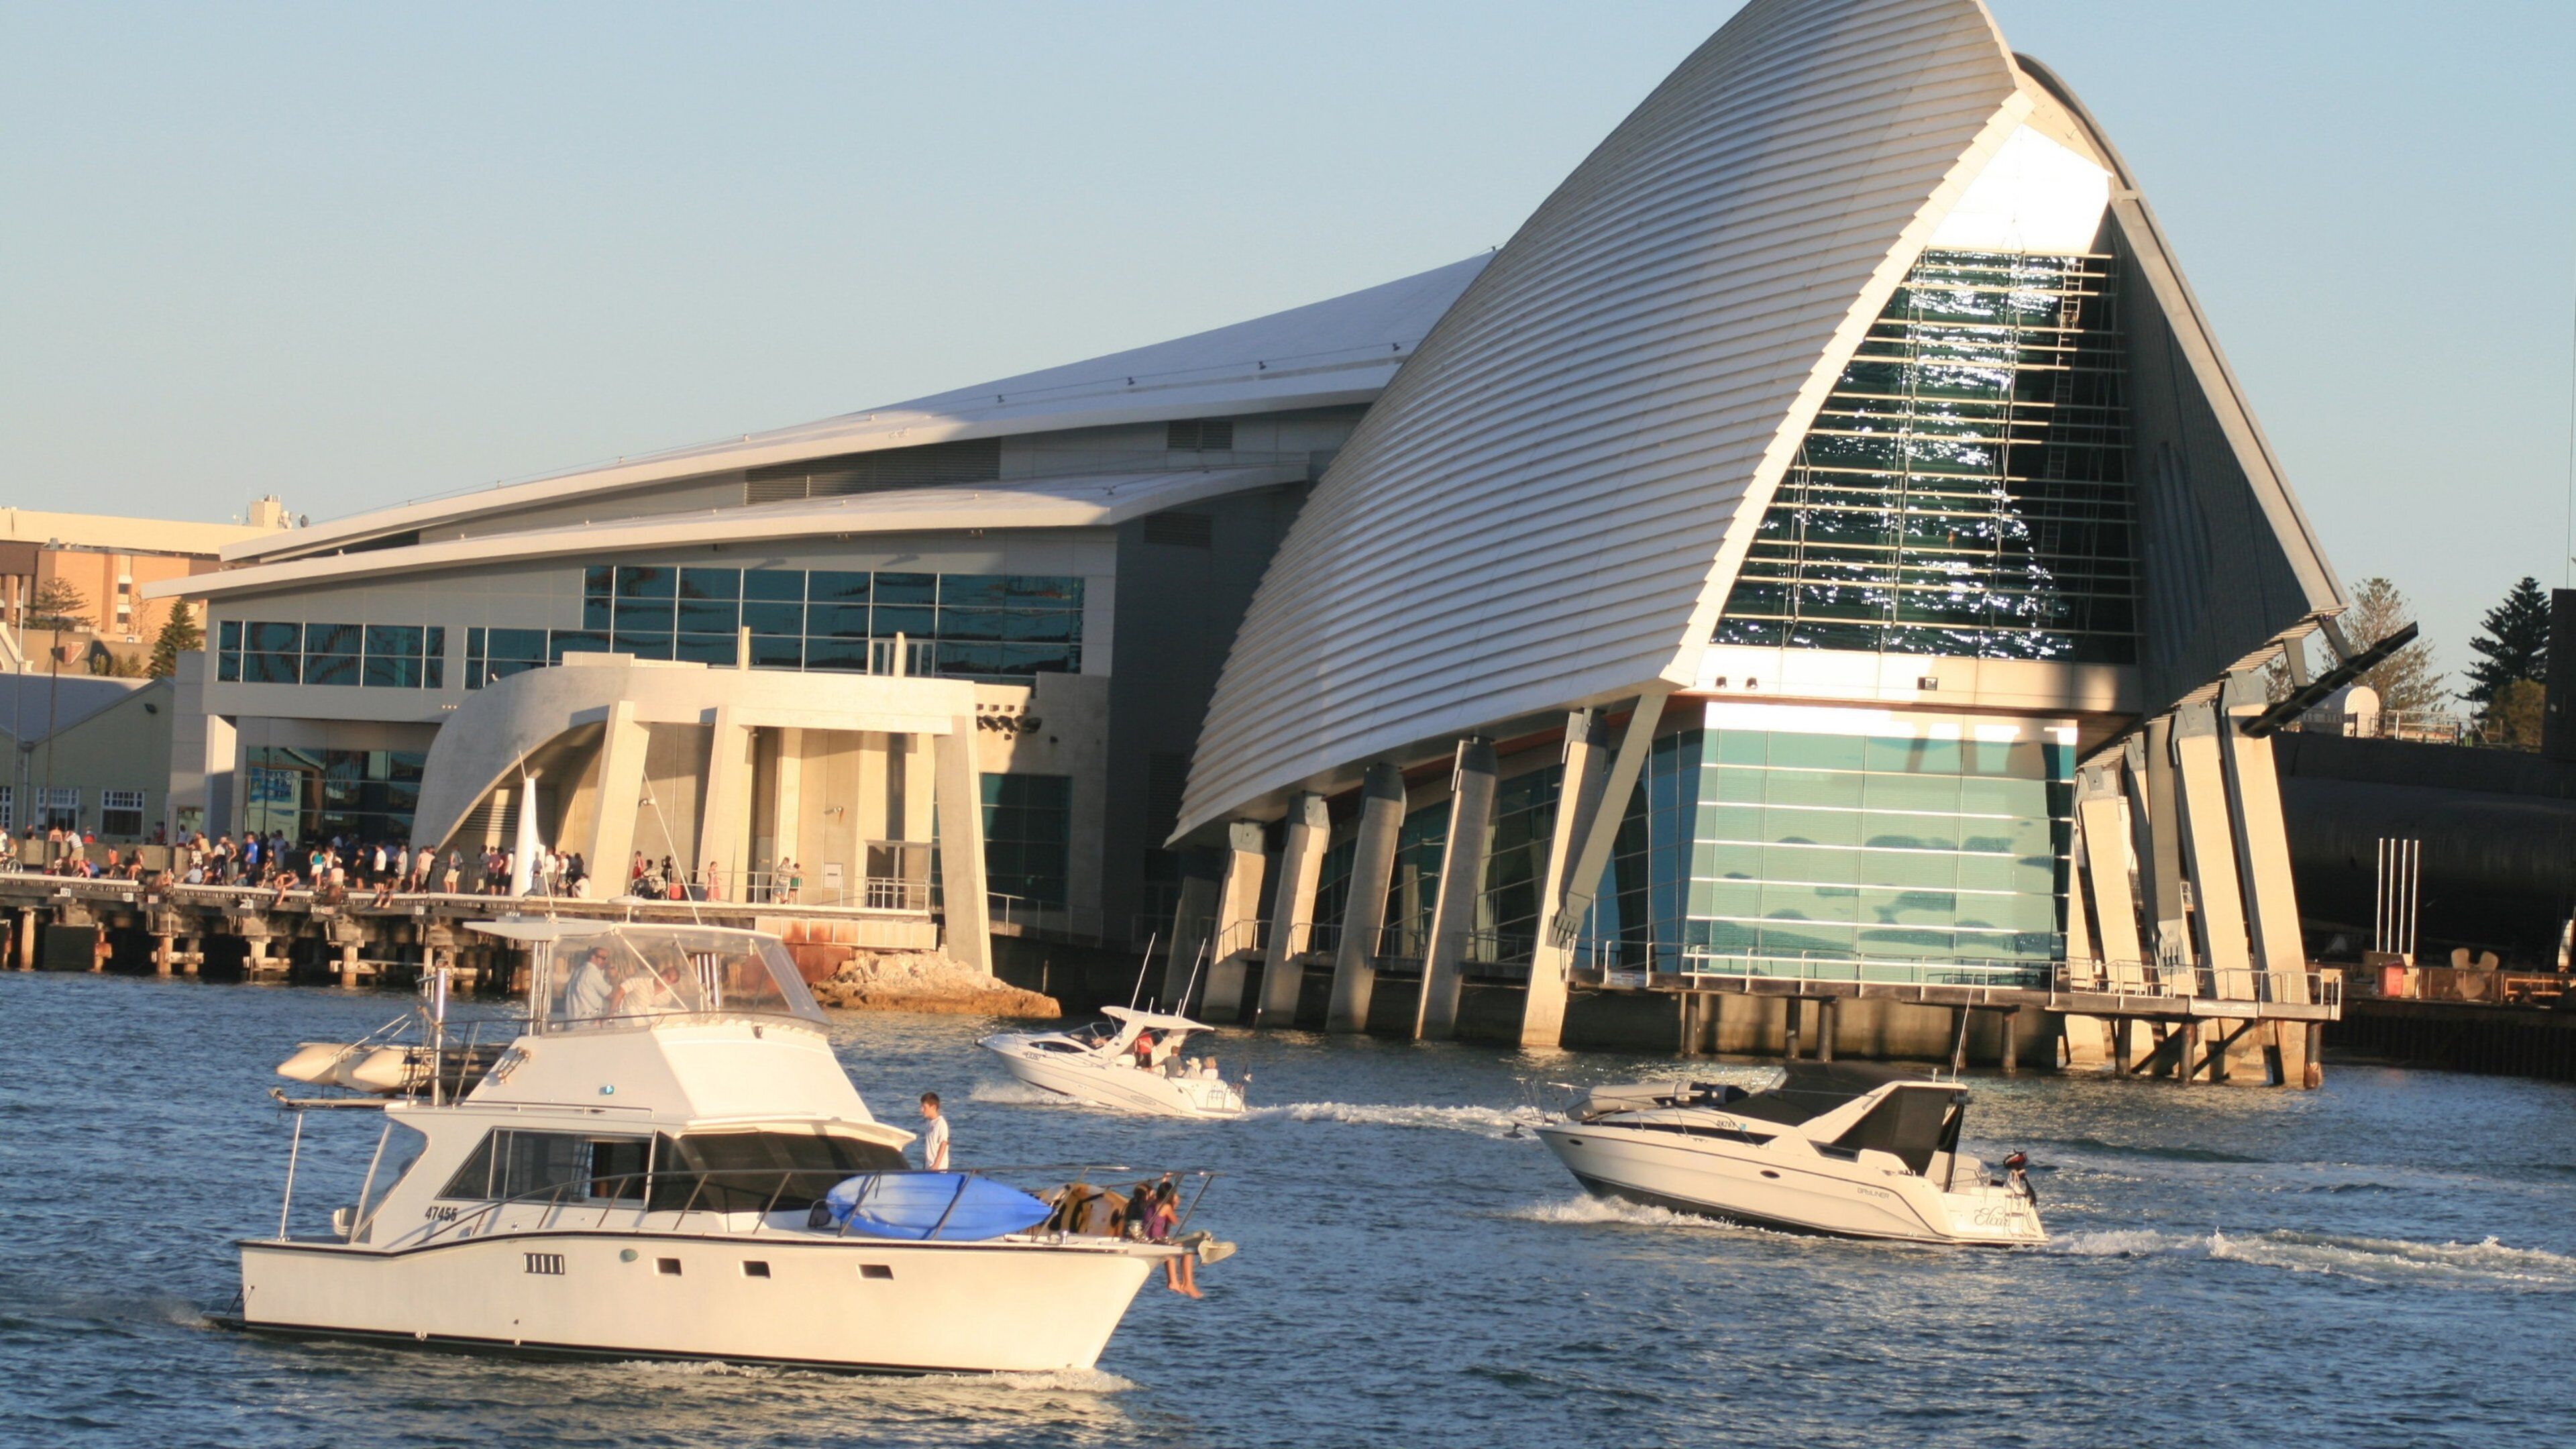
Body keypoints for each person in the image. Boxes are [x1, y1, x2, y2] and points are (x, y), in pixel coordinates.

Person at [1145, 1179, 1199, 1297]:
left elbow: (1153, 1193)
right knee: (1187, 1250)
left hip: (1147, 1238)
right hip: (1157, 1240)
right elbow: (1175, 1221)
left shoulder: (1152, 1203)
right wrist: (1174, 1205)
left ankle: (1173, 1282)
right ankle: (1187, 1284)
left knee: (1172, 1248)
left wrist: (1165, 1178)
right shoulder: (1166, 1207)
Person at [564, 947, 615, 1023]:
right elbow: (611, 996)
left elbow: (564, 994)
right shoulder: (592, 973)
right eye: (603, 958)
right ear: (593, 957)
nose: (605, 962)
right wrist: (614, 978)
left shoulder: (577, 971)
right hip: (589, 1022)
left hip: (574, 1020)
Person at [918, 1092, 950, 1172]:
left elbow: (944, 1143)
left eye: (924, 1107)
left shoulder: (941, 1123)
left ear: (933, 1107)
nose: (921, 1110)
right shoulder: (929, 1123)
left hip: (938, 1168)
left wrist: (936, 1165)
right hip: (928, 1166)